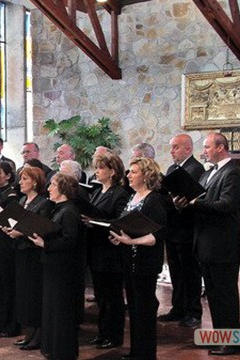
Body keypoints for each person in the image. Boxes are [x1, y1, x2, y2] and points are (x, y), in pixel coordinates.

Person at [174, 132, 240, 356]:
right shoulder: (207, 174)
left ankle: (233, 343)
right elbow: (198, 198)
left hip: (223, 246)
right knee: (213, 296)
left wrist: (195, 204)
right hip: (205, 244)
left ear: (220, 148)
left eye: (207, 147)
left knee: (225, 296)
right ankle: (219, 337)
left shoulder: (232, 172)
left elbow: (226, 205)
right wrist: (182, 202)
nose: (203, 151)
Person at [109, 157, 167, 360]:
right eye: (129, 172)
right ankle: (136, 351)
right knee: (133, 309)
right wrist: (119, 238)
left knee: (144, 309)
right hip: (129, 260)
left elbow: (156, 236)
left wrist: (130, 242)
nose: (128, 175)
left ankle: (146, 354)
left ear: (146, 175)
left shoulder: (154, 200)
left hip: (145, 263)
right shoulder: (132, 197)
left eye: (133, 172)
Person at [28, 172, 83, 360]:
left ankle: (62, 351)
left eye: (53, 185)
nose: (49, 188)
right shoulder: (59, 209)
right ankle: (53, 347)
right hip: (53, 265)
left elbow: (70, 240)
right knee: (52, 308)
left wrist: (45, 244)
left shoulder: (69, 211)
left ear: (63, 189)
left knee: (61, 310)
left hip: (62, 268)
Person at [2, 166, 53, 351]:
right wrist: (10, 229)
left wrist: (20, 232)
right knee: (24, 293)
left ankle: (38, 333)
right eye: (21, 179)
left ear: (35, 182)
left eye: (24, 179)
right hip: (20, 251)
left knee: (34, 294)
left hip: (34, 253)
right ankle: (30, 332)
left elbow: (42, 228)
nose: (20, 182)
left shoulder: (44, 203)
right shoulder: (23, 200)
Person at [158, 134, 205, 328]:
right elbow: (169, 196)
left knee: (190, 273)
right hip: (173, 229)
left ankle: (193, 311)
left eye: (176, 147)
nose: (172, 151)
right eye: (171, 147)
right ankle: (178, 308)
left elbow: (195, 195)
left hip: (187, 229)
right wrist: (172, 201)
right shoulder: (172, 168)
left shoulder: (196, 168)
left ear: (188, 149)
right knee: (176, 272)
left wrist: (180, 202)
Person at [84, 153, 129, 349]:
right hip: (96, 249)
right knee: (101, 296)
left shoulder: (120, 193)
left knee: (113, 296)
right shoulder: (96, 192)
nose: (96, 171)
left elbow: (120, 221)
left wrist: (95, 222)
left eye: (101, 168)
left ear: (112, 171)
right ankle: (102, 332)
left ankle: (114, 335)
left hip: (111, 250)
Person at [0, 162, 20, 338]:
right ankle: (0, 322)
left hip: (6, 241)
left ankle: (10, 324)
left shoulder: (12, 194)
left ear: (8, 176)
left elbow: (11, 218)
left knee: (7, 284)